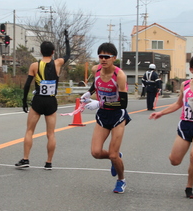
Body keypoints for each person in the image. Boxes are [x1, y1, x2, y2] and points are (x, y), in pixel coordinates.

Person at [149, 54, 193, 198]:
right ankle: (187, 170)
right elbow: (178, 104)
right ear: (191, 69)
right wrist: (161, 113)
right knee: (174, 161)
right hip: (185, 124)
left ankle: (189, 188)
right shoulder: (185, 85)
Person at [15, 32, 70, 170]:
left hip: (38, 100)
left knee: (29, 131)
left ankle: (26, 158)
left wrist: (24, 100)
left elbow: (27, 84)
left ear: (40, 51)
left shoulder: (34, 65)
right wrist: (67, 39)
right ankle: (48, 162)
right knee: (50, 134)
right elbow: (68, 55)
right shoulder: (57, 63)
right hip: (51, 101)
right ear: (53, 52)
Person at [81, 42, 130, 193]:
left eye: (107, 57)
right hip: (103, 116)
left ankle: (121, 180)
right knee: (96, 152)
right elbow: (96, 84)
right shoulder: (96, 70)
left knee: (113, 154)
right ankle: (115, 158)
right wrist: (89, 93)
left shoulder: (119, 75)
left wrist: (100, 103)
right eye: (101, 56)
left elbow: (123, 103)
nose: (103, 59)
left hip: (117, 116)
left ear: (114, 58)